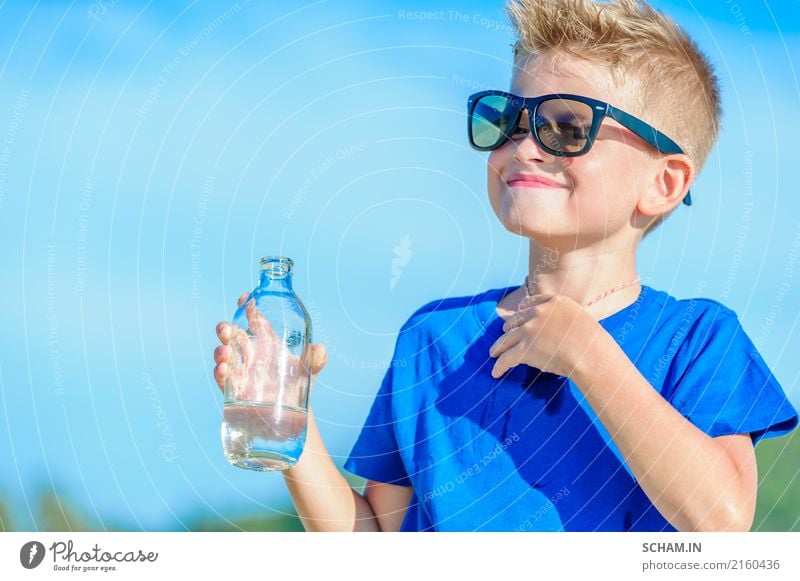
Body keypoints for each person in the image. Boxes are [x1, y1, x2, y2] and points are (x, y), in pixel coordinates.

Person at [213, 0, 798, 531]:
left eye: (568, 126)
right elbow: (377, 546)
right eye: (508, 120)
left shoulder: (698, 341)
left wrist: (589, 355)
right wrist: (288, 421)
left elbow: (720, 521)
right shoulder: (431, 338)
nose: (524, 145)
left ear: (664, 183)